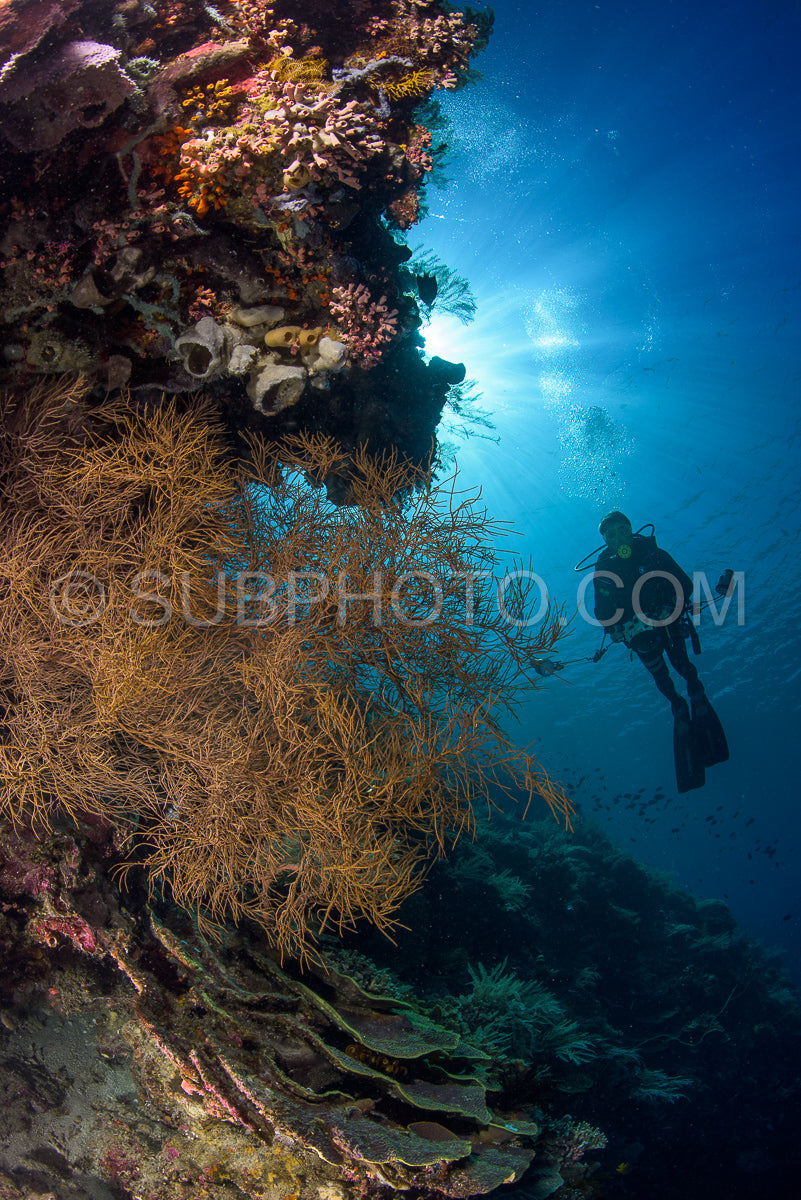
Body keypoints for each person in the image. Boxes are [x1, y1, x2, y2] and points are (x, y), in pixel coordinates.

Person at [592, 511, 728, 792]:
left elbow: (686, 585)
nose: (618, 538)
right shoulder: (604, 569)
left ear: (630, 530)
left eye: (621, 530)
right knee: (663, 675)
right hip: (642, 636)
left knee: (682, 666)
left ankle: (693, 692)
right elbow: (602, 613)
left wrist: (671, 606)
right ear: (605, 541)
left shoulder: (653, 553)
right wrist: (617, 628)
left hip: (670, 624)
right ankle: (679, 703)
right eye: (610, 535)